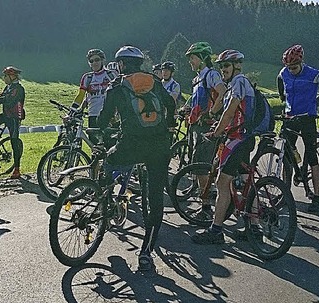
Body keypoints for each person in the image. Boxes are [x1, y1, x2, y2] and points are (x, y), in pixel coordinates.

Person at [96, 45, 176, 271]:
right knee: (154, 199)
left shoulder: (117, 86)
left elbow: (104, 118)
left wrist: (101, 132)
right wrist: (169, 125)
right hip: (159, 147)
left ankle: (106, 204)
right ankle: (146, 252)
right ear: (140, 63)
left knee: (110, 163)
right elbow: (170, 104)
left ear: (121, 64)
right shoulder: (155, 83)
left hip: (130, 145)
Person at [191, 50, 257, 244]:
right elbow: (232, 113)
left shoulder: (238, 82)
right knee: (246, 182)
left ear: (237, 66)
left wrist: (218, 131)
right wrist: (220, 125)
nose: (223, 69)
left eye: (226, 66)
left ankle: (216, 230)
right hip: (244, 137)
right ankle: (254, 227)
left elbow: (229, 112)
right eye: (221, 66)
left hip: (238, 139)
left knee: (222, 182)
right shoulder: (237, 83)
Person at [277, 44, 319, 213]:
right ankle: (294, 175)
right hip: (291, 116)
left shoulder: (314, 74)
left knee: (311, 154)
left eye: (294, 67)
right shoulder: (284, 72)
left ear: (301, 62)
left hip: (307, 117)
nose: (291, 70)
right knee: (287, 151)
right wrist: (282, 97)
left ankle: (316, 197)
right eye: (289, 67)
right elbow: (280, 80)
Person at [186, 42, 227, 164]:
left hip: (205, 124)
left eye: (192, 58)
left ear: (202, 58)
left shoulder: (211, 75)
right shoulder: (197, 79)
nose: (190, 61)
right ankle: (195, 183)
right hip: (194, 124)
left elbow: (223, 93)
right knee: (193, 159)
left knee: (201, 162)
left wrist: (211, 113)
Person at [69, 49, 118, 128]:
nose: (94, 63)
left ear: (102, 60)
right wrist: (73, 110)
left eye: (97, 60)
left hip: (110, 115)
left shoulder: (112, 74)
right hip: (93, 115)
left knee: (110, 139)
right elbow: (80, 96)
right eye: (91, 61)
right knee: (93, 140)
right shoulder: (87, 77)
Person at [0, 66, 26, 179]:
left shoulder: (19, 88)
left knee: (14, 142)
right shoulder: (8, 87)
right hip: (6, 115)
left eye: (5, 76)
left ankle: (17, 169)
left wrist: (2, 99)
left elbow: (10, 101)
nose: (4, 78)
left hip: (15, 118)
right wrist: (2, 99)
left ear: (12, 77)